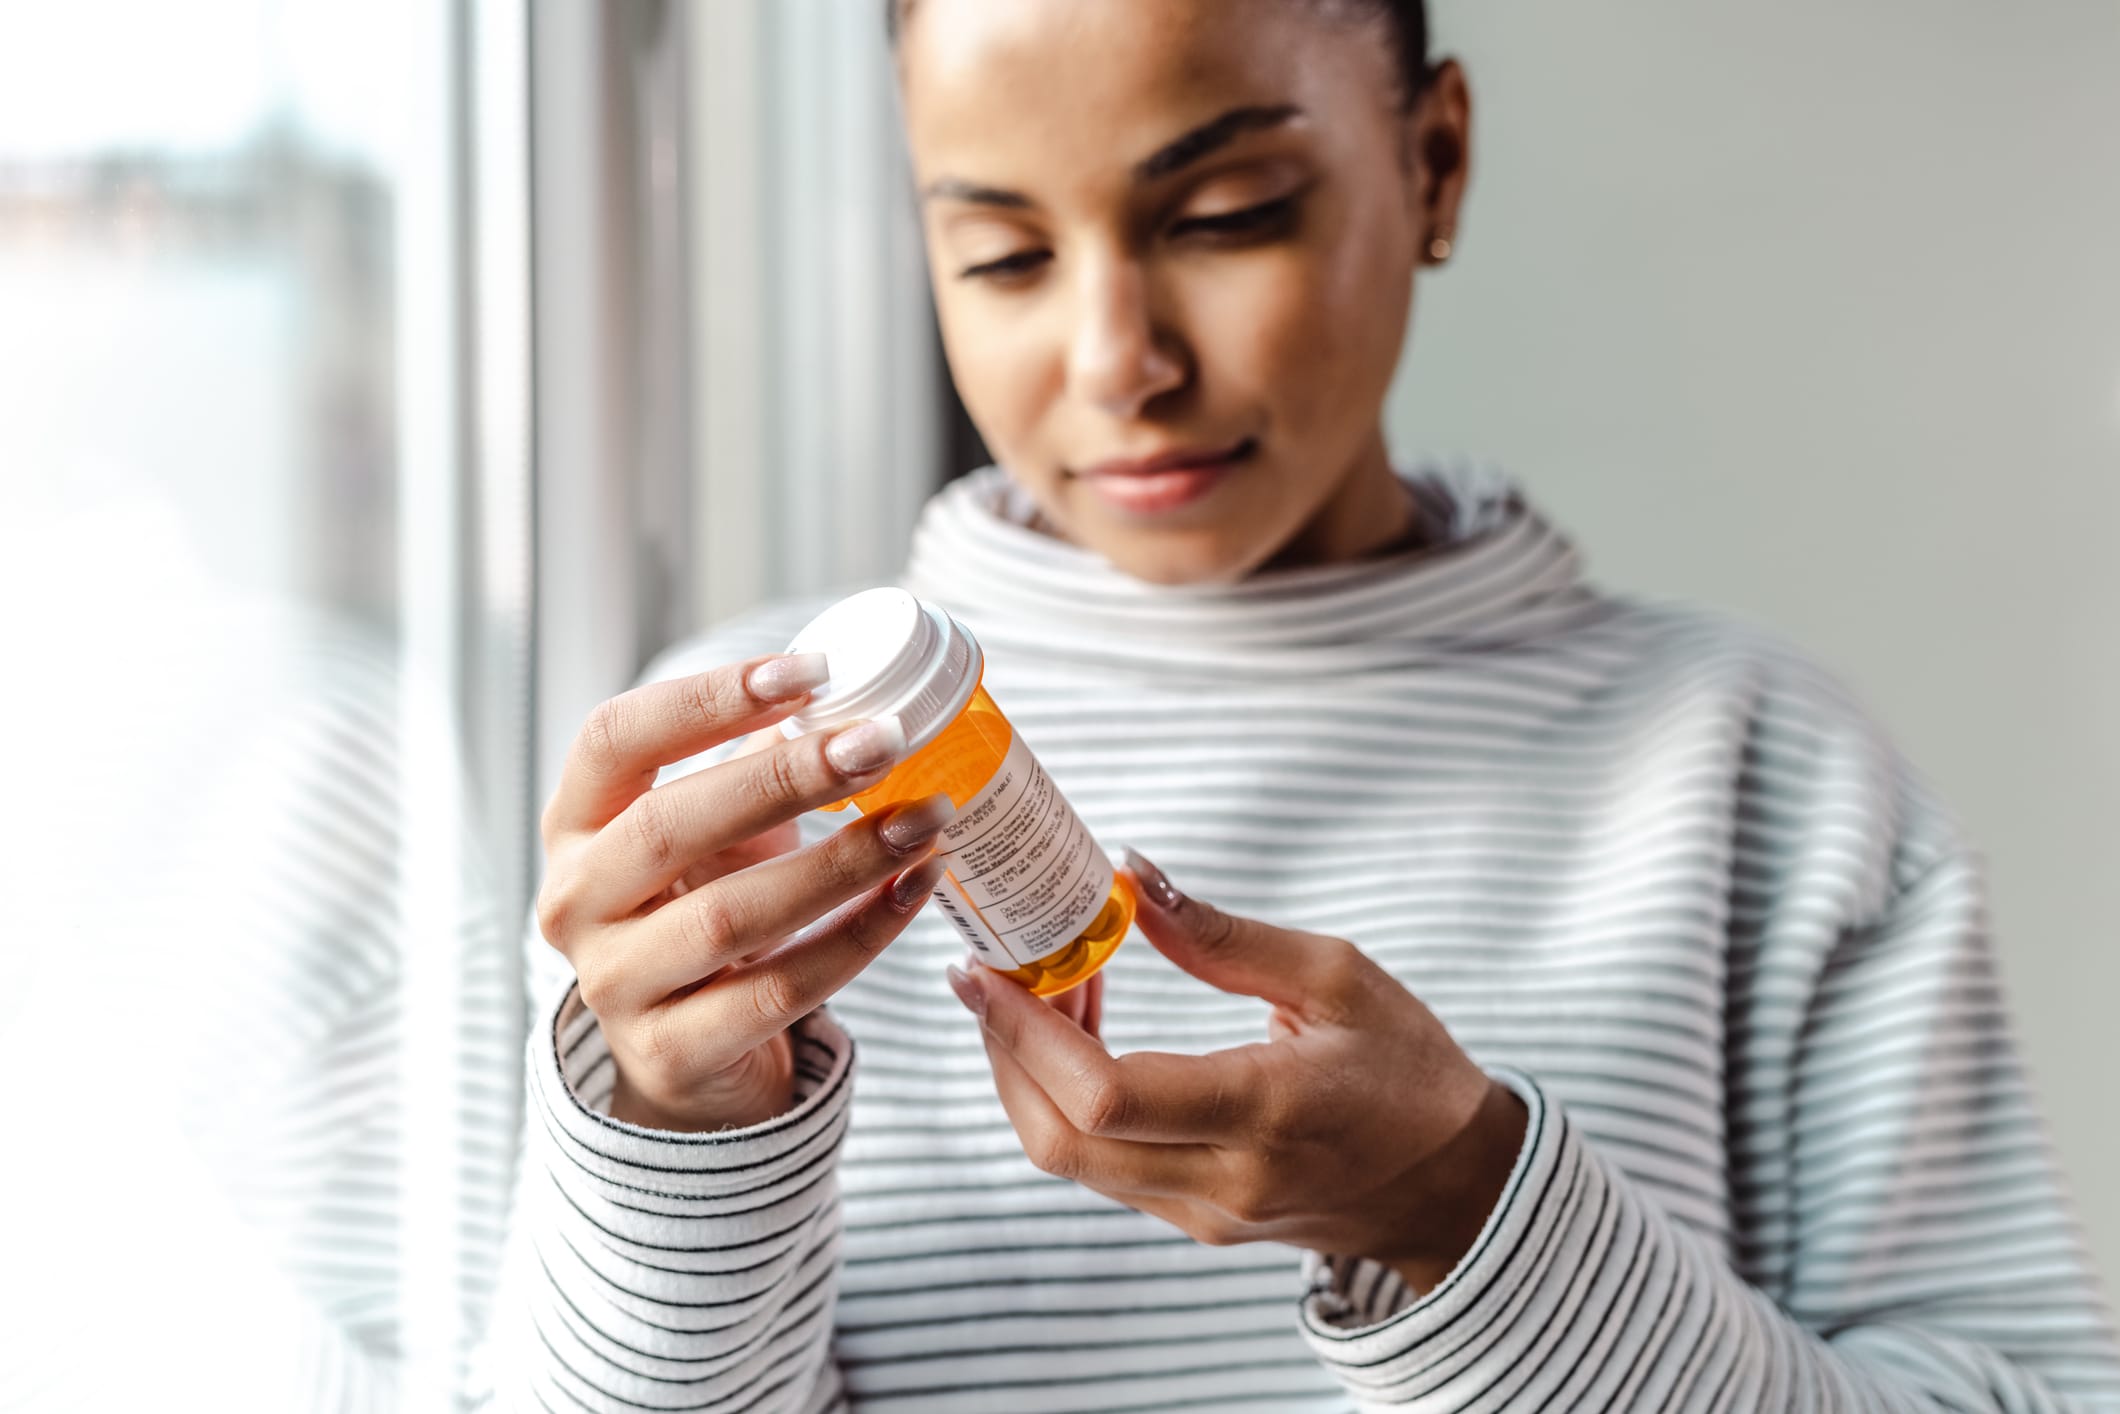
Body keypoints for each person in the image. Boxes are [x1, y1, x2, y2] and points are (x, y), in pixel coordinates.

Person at [486, 1, 2120, 1408]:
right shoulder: (735, 810)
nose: (1118, 358)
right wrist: (673, 1145)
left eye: (1226, 214)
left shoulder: (1758, 774)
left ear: (1435, 163)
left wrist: (1473, 1215)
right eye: (1000, 254)